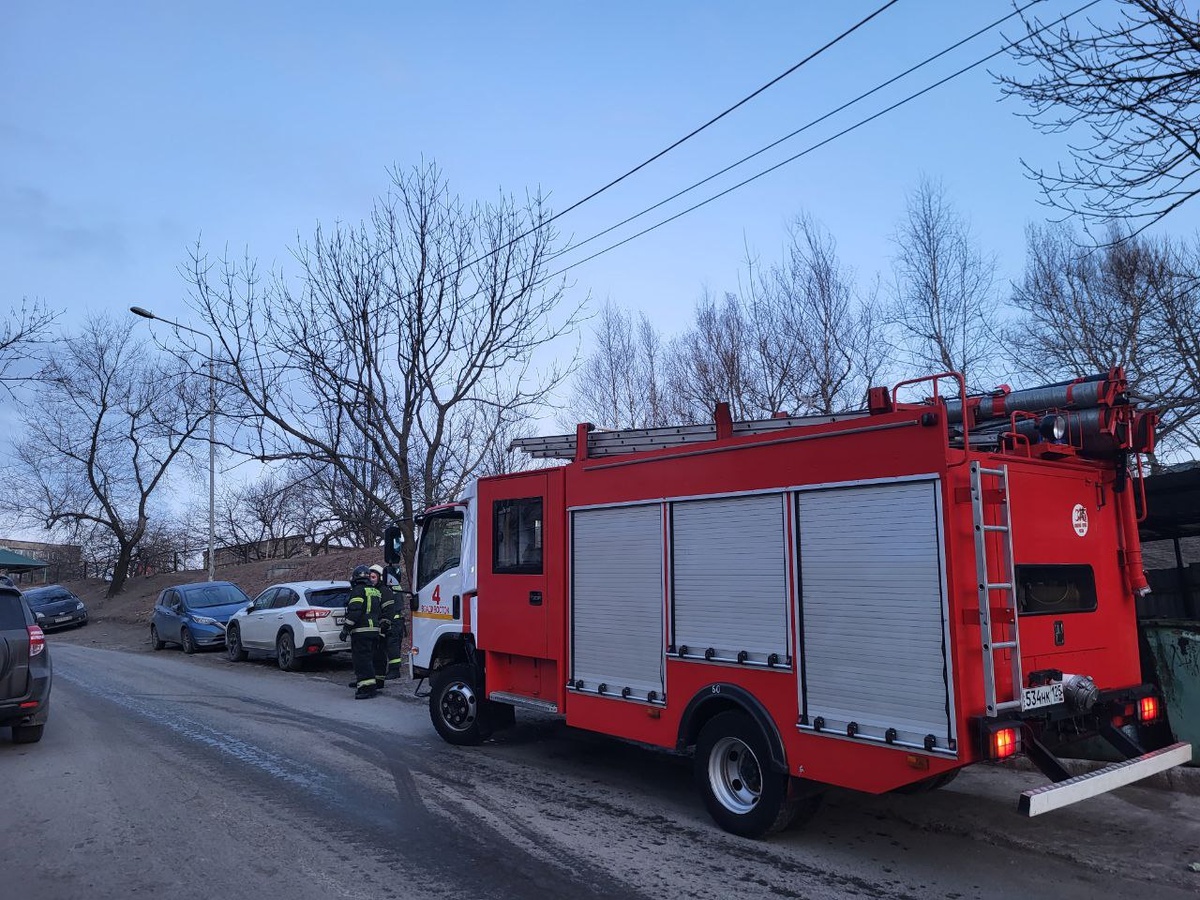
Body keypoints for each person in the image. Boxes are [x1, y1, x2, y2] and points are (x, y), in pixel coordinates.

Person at [340, 564, 390, 699]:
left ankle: (367, 688)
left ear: (355, 578)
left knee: (362, 660)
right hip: (374, 630)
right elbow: (380, 612)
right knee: (370, 659)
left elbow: (355, 612)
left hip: (361, 630)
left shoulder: (358, 590)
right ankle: (364, 683)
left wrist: (345, 629)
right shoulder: (375, 591)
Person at [370, 563, 407, 678]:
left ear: (381, 577)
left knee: (392, 646)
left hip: (393, 622)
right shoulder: (391, 585)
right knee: (389, 647)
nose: (371, 580)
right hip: (393, 621)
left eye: (373, 577)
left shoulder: (387, 588)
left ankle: (395, 671)